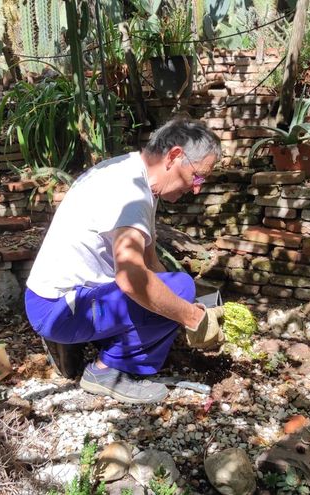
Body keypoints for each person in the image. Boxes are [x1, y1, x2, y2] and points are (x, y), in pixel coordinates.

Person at [24, 118, 226, 404]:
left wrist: (180, 309)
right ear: (174, 156)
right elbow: (132, 278)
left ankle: (103, 342)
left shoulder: (131, 173)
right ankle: (109, 371)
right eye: (197, 176)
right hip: (58, 309)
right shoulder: (131, 193)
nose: (196, 188)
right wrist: (192, 317)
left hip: (56, 300)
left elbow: (151, 262)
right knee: (180, 289)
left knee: (178, 288)